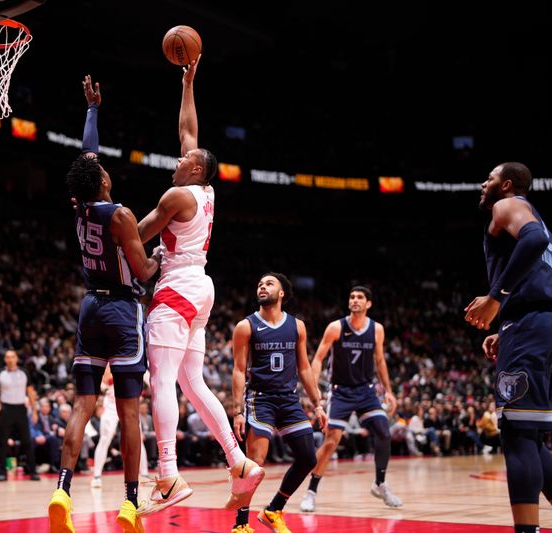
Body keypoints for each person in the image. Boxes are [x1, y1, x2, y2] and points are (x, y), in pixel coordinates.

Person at [135, 55, 264, 517]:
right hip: (200, 286)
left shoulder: (175, 195)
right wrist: (188, 84)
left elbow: (137, 235)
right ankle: (239, 460)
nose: (178, 157)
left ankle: (168, 475)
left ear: (194, 170)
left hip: (176, 288)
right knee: (192, 382)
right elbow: (189, 134)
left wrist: (104, 233)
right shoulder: (205, 189)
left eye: (184, 160)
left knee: (163, 382)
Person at [48, 75, 161, 533]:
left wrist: (93, 111)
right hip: (120, 309)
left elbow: (86, 156)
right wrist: (159, 258)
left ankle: (61, 491)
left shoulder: (80, 207)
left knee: (82, 405)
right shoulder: (120, 215)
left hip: (89, 308)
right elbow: (141, 272)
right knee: (130, 412)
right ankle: (130, 503)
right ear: (104, 182)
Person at [464, 162, 552, 533]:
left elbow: (532, 241)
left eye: (489, 178)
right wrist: (511, 325)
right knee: (530, 437)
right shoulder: (548, 228)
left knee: (517, 437)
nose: (483, 183)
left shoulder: (508, 206)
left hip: (532, 327)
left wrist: (498, 299)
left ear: (507, 185)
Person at [230, 273, 326, 533]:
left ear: (282, 293)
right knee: (255, 462)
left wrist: (317, 403)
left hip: (289, 400)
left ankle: (273, 510)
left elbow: (305, 368)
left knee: (308, 458)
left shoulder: (297, 326)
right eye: (259, 283)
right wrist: (237, 411)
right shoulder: (246, 326)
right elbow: (239, 370)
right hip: (260, 400)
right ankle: (241, 524)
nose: (262, 286)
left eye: (269, 283)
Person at [299, 286, 402, 512]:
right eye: (352, 297)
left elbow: (380, 361)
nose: (355, 300)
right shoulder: (336, 327)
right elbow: (317, 359)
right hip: (340, 392)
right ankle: (311, 492)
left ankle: (380, 484)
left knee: (384, 432)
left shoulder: (377, 329)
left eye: (360, 297)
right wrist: (313, 391)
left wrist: (389, 391)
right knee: (331, 442)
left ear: (368, 304)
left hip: (366, 391)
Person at [91, 366, 150, 488]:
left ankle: (144, 475)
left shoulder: (135, 358)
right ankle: (96, 476)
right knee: (104, 439)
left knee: (137, 439)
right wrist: (106, 388)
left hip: (130, 403)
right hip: (111, 405)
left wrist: (142, 391)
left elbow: (150, 380)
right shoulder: (109, 361)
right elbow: (100, 381)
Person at [0, 349, 39, 482]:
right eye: (7, 357)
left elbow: (31, 393)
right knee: (2, 442)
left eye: (12, 357)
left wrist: (34, 411)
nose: (10, 359)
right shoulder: (0, 373)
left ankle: (33, 472)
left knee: (27, 441)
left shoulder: (24, 373)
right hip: (6, 409)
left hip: (21, 409)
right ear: (5, 359)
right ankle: (2, 472)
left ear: (16, 358)